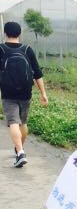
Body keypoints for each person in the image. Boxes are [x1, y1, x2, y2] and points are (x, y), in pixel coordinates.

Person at [0, 21, 48, 167]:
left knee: (13, 122)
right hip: (26, 92)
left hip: (8, 92)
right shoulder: (27, 49)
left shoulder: (1, 49)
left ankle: (20, 152)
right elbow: (37, 74)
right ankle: (19, 149)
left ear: (5, 33)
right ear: (20, 34)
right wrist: (43, 93)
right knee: (23, 122)